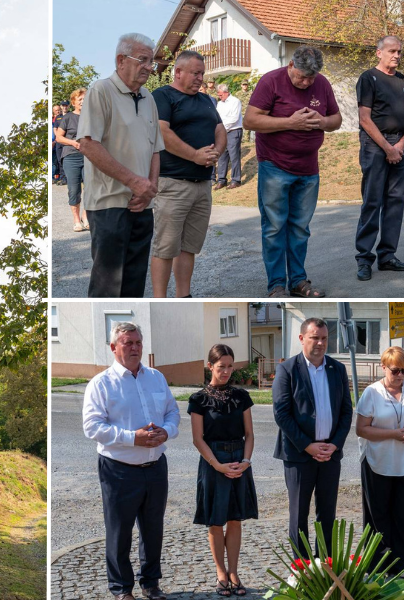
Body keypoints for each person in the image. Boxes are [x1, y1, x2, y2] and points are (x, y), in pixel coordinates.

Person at [82, 321, 180, 600]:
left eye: (138, 342)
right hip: (119, 470)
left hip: (156, 467)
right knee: (119, 532)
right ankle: (122, 589)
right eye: (128, 343)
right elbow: (92, 427)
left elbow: (172, 412)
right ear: (114, 348)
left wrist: (167, 431)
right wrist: (131, 437)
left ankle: (150, 584)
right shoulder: (101, 383)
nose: (134, 347)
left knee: (153, 530)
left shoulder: (156, 377)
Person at [244, 46, 342, 298]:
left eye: (311, 78)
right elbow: (251, 121)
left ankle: (298, 281)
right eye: (301, 77)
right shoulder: (271, 82)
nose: (306, 82)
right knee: (275, 227)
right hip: (275, 165)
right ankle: (276, 284)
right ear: (290, 65)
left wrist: (322, 121)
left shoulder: (321, 84)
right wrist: (290, 122)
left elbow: (336, 120)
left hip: (308, 169)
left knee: (300, 228)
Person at [77, 32, 164, 297]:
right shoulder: (100, 90)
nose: (149, 67)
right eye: (143, 60)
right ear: (121, 60)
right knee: (108, 287)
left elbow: (156, 148)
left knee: (135, 284)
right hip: (109, 205)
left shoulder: (148, 98)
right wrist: (134, 182)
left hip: (141, 204)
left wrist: (149, 187)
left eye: (151, 61)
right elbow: (88, 144)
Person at [271, 317, 352, 558]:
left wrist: (335, 444)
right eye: (314, 337)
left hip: (330, 455)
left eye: (324, 338)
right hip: (299, 455)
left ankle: (325, 566)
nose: (320, 343)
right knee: (299, 514)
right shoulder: (287, 369)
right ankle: (302, 569)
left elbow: (347, 412)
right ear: (301, 338)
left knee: (327, 514)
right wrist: (308, 446)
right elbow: (281, 414)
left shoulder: (337, 369)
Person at [150, 50, 225, 298]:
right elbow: (161, 132)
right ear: (178, 72)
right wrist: (195, 155)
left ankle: (184, 295)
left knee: (189, 247)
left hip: (202, 184)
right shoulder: (162, 96)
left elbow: (220, 129)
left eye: (202, 73)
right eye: (195, 73)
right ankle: (160, 298)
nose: (200, 78)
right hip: (173, 182)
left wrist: (214, 154)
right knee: (165, 247)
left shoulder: (206, 100)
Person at [188, 344, 258, 597]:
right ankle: (220, 573)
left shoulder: (241, 396)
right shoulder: (198, 399)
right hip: (213, 462)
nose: (227, 371)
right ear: (210, 366)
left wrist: (246, 461)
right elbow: (198, 439)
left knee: (235, 519)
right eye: (221, 367)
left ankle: (234, 572)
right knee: (215, 521)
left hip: (239, 459)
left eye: (230, 366)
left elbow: (249, 434)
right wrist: (216, 464)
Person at [356, 346, 404, 578]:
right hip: (378, 462)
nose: (400, 376)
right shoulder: (372, 392)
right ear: (384, 367)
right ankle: (378, 563)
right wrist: (393, 434)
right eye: (395, 370)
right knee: (378, 515)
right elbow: (361, 429)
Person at [354, 35, 404, 282]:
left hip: (400, 145)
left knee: (395, 202)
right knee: (372, 202)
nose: (397, 55)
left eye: (399, 51)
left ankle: (388, 256)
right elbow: (364, 118)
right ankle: (364, 258)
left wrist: (400, 144)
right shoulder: (368, 78)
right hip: (375, 146)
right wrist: (387, 148)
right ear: (379, 53)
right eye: (392, 51)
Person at [56, 89, 89, 232]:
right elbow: (59, 137)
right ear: (74, 102)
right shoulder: (68, 117)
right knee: (74, 189)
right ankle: (76, 220)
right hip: (71, 156)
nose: (82, 101)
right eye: (79, 99)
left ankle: (85, 216)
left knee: (91, 188)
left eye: (84, 99)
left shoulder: (92, 116)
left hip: (90, 156)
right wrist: (73, 143)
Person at [214, 83, 244, 190]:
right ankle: (222, 180)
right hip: (223, 132)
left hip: (233, 131)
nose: (219, 96)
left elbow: (234, 118)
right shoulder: (220, 104)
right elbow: (217, 117)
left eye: (221, 95)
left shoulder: (235, 101)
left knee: (234, 155)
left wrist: (222, 127)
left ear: (226, 92)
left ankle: (236, 180)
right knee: (222, 155)